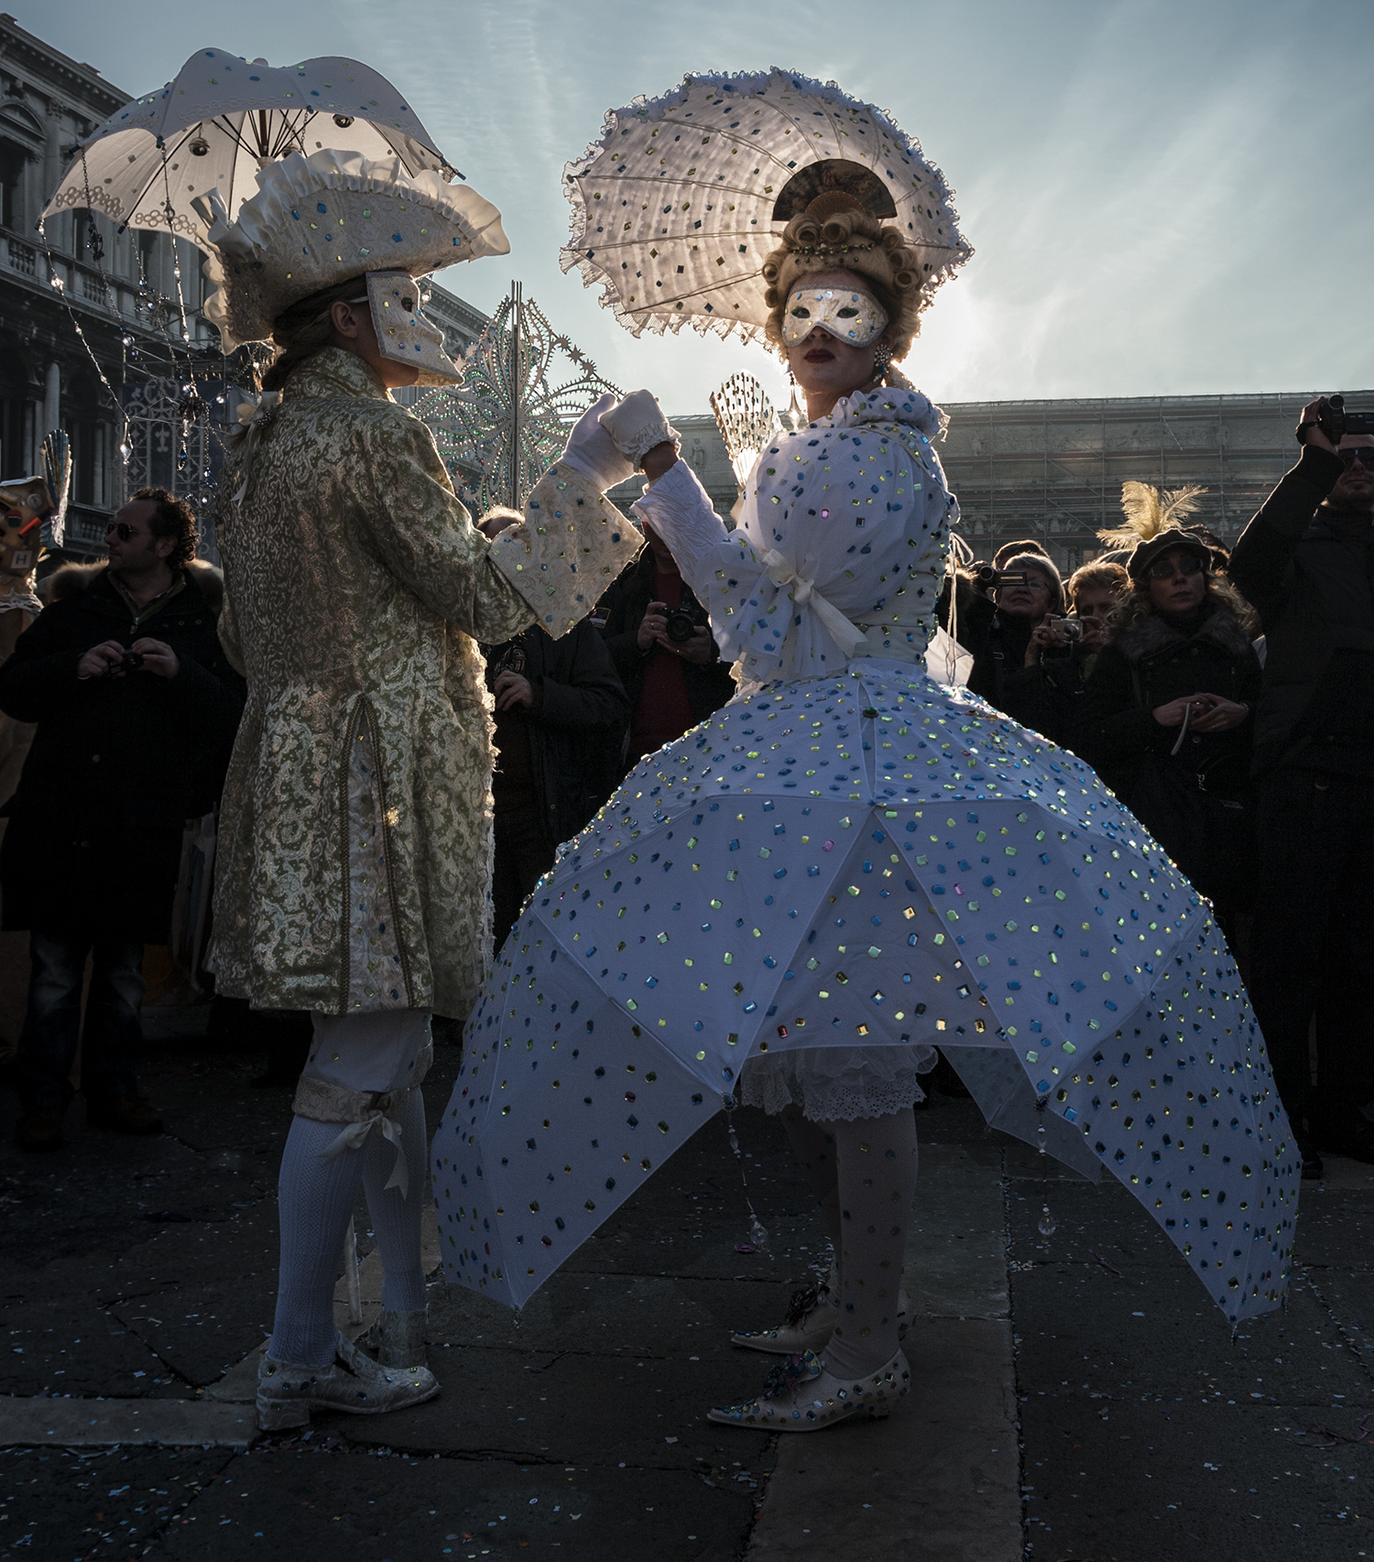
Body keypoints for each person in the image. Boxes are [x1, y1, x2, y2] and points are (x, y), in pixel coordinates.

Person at [436, 187, 1294, 1434]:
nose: (821, 327)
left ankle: (872, 1339)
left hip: (855, 765)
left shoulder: (869, 450)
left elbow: (769, 630)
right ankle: (854, 1297)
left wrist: (667, 475)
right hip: (815, 763)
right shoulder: (832, 443)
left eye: (851, 308)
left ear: (893, 326)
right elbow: (779, 607)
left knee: (851, 1056)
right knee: (794, 1047)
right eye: (802, 309)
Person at [201, 147, 649, 1432]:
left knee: (390, 1063)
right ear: (349, 313)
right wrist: (586, 476)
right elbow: (484, 596)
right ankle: (300, 1350)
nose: (419, 308)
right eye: (400, 286)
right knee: (362, 1062)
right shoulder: (376, 431)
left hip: (298, 764)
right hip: (374, 782)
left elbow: (245, 639)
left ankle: (396, 1311)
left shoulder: (262, 440)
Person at [0, 491, 244, 1151]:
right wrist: (70, 667)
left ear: (164, 546)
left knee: (122, 972)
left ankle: (115, 1090)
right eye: (109, 527)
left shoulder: (201, 625)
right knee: (54, 972)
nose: (111, 537)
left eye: (126, 530)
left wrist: (183, 675)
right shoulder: (74, 610)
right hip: (63, 818)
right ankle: (43, 1100)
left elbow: (233, 716)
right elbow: (13, 690)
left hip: (141, 828)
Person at [1228, 400, 1374, 1176]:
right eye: (1344, 457)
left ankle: (1343, 1108)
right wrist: (1310, 463)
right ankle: (1278, 1115)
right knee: (1290, 957)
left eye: (1367, 456)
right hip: (1306, 776)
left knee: (1361, 958)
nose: (1357, 466)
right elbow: (1249, 566)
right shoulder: (1299, 547)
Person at [1076, 504, 1259, 945]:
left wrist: (1244, 713)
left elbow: (1274, 716)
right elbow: (1087, 737)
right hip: (1157, 813)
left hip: (1230, 811)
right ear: (1146, 587)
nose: (1180, 578)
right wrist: (1155, 718)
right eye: (1164, 570)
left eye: (1189, 567)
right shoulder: (1123, 654)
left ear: (1205, 577)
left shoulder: (1237, 646)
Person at [479, 509, 629, 947]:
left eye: (516, 549)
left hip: (541, 814)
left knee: (543, 936)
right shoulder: (467, 625)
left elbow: (609, 704)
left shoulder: (562, 623)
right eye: (495, 551)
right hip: (479, 818)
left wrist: (540, 695)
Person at [594, 512, 735, 770]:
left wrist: (711, 654)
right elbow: (592, 660)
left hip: (707, 744)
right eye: (659, 526)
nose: (667, 535)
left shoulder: (718, 582)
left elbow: (756, 654)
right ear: (645, 527)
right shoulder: (622, 585)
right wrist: (636, 641)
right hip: (634, 748)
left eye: (675, 523)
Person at [937, 541, 1067, 726]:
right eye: (1013, 580)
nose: (1022, 589)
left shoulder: (1062, 646)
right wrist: (973, 592)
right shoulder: (981, 634)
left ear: (1052, 602)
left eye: (1035, 584)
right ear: (997, 594)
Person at [1006, 558, 1130, 748]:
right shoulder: (1065, 669)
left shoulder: (1145, 659)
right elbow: (1034, 729)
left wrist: (1111, 654)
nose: (1095, 617)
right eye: (1087, 610)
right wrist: (1032, 659)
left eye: (1107, 608)